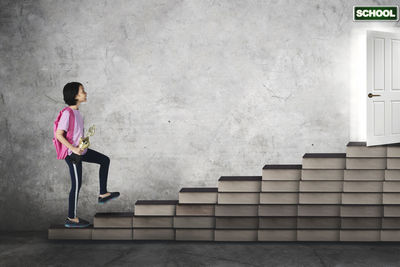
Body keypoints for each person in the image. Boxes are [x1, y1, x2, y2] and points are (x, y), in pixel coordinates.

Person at [56, 82, 120, 228]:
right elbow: (59, 134)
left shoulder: (77, 113)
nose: (85, 93)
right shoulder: (67, 113)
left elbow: (75, 134)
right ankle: (71, 218)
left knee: (104, 160)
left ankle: (103, 193)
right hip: (73, 154)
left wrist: (84, 142)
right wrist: (73, 148)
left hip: (81, 150)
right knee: (76, 185)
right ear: (75, 96)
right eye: (82, 91)